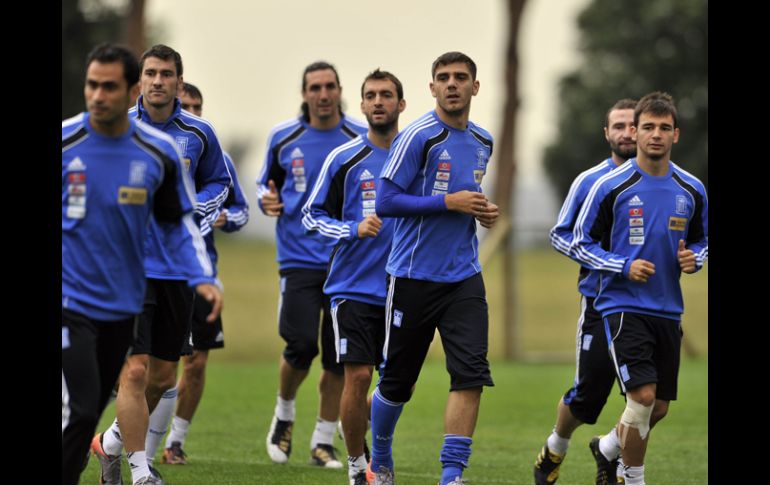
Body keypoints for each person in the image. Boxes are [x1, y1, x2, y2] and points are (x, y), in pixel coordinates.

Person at [61, 43, 221, 485]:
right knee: (117, 378)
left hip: (152, 283)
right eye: (93, 84)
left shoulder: (171, 147)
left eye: (164, 74)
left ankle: (109, 442)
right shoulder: (73, 139)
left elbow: (187, 214)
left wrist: (202, 274)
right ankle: (140, 470)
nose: (156, 82)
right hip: (97, 285)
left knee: (161, 377)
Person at [370, 51, 499, 485]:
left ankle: (451, 475)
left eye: (461, 77)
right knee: (396, 383)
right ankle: (381, 457)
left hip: (463, 276)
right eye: (443, 77)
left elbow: (465, 194)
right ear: (431, 88)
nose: (452, 84)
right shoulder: (418, 137)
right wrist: (449, 203)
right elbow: (385, 203)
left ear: (474, 87)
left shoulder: (483, 140)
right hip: (411, 278)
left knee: (470, 374)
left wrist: (479, 210)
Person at [570, 92, 708, 485]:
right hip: (621, 304)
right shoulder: (610, 185)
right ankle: (632, 478)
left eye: (665, 128)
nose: (655, 135)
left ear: (676, 135)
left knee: (658, 407)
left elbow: (704, 239)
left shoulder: (692, 188)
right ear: (636, 131)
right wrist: (623, 265)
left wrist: (695, 258)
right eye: (648, 127)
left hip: (668, 308)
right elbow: (579, 242)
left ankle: (608, 446)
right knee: (642, 398)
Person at [257, 61, 368, 468]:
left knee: (338, 356)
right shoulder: (284, 137)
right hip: (299, 259)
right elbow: (263, 185)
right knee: (300, 344)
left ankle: (323, 441)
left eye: (329, 86)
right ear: (304, 93)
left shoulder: (358, 137)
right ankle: (284, 413)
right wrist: (264, 200)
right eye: (314, 87)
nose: (322, 94)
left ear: (340, 91)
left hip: (347, 262)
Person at [301, 69, 406, 485]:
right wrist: (351, 229)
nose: (378, 102)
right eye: (371, 96)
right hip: (352, 288)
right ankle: (359, 467)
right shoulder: (343, 158)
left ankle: (379, 451)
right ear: (361, 106)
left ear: (401, 104)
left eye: (386, 95)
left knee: (397, 387)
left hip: (403, 289)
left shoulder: (413, 156)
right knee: (358, 376)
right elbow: (311, 215)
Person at [137, 82, 250, 467]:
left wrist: (220, 215)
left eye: (197, 106)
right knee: (140, 368)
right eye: (187, 105)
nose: (192, 112)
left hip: (198, 273)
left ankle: (172, 443)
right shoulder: (143, 144)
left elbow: (241, 212)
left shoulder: (211, 153)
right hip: (145, 269)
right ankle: (132, 451)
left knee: (190, 363)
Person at [533, 98, 637, 485]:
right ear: (606, 133)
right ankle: (556, 446)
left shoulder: (664, 182)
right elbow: (561, 236)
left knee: (650, 400)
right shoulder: (590, 181)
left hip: (649, 306)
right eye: (619, 126)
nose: (628, 133)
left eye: (634, 125)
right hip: (601, 302)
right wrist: (612, 263)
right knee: (588, 396)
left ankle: (612, 451)